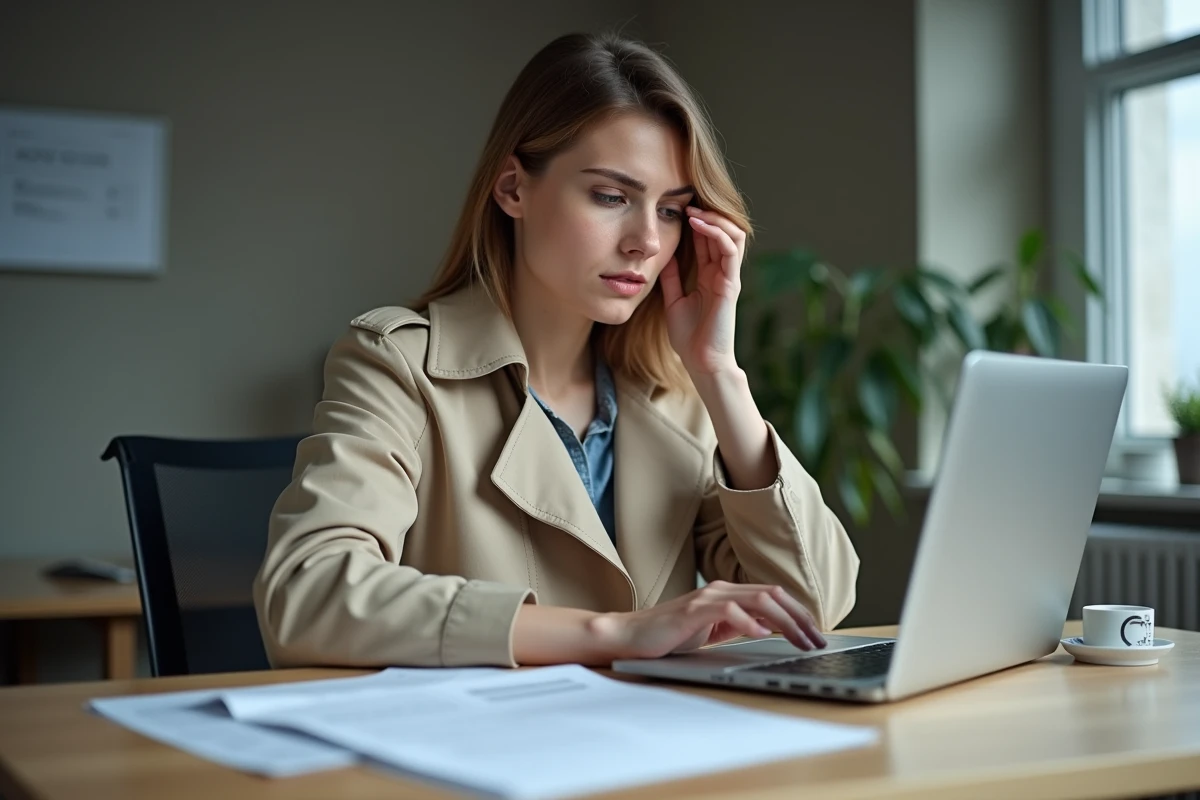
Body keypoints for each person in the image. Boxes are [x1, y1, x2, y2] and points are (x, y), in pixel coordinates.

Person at [253, 31, 859, 670]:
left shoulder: (677, 399)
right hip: (468, 754)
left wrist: (720, 376)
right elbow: (307, 592)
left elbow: (812, 607)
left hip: (654, 754)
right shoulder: (399, 365)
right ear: (513, 188)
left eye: (673, 211)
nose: (646, 242)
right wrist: (613, 633)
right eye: (611, 197)